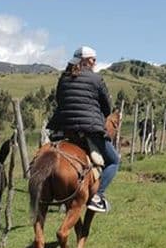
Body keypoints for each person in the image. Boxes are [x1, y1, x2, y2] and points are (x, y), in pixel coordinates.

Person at [47, 46, 120, 213]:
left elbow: (59, 100)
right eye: (92, 59)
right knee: (114, 161)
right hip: (90, 130)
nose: (94, 62)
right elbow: (107, 108)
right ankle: (97, 196)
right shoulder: (96, 79)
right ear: (85, 60)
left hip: (64, 129)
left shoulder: (63, 78)